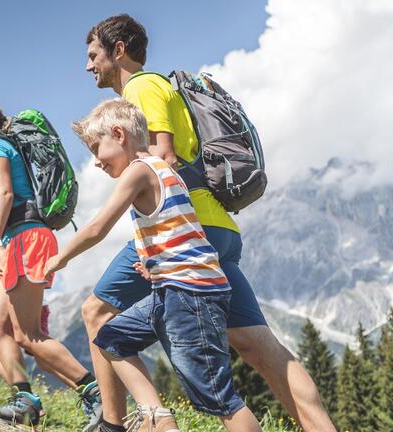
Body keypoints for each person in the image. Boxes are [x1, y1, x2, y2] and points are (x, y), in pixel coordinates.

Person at [80, 14, 336, 432]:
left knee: (96, 313)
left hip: (185, 230)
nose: (89, 66)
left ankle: (116, 424)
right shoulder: (162, 87)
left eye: (93, 55)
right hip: (218, 227)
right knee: (258, 345)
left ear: (118, 50)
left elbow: (161, 155)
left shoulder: (140, 88)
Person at [46, 98, 262, 432]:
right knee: (111, 338)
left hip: (191, 294)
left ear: (118, 134)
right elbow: (178, 226)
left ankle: (159, 419)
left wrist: (59, 259)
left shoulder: (138, 171)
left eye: (96, 150)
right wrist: (156, 264)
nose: (96, 163)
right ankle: (158, 420)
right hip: (173, 288)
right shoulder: (163, 169)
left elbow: (96, 228)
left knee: (219, 399)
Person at [0, 104, 101, 429]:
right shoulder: (0, 144)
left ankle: (95, 391)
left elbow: (5, 193)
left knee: (28, 334)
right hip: (21, 239)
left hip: (27, 238)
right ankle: (25, 400)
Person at [0, 200, 66, 387]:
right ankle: (24, 396)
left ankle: (26, 397)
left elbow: (7, 267)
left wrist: (1, 295)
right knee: (37, 356)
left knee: (27, 348)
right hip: (19, 299)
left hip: (14, 299)